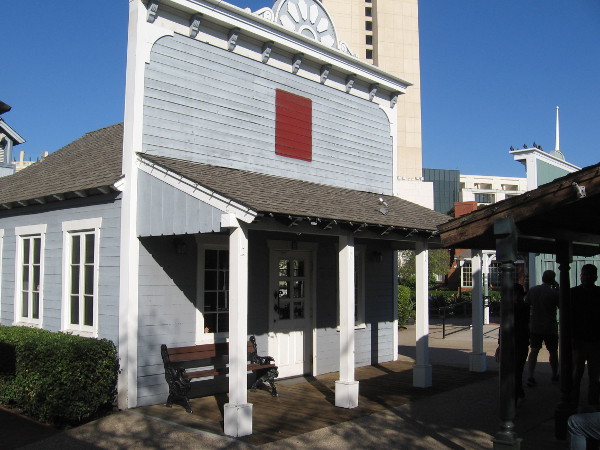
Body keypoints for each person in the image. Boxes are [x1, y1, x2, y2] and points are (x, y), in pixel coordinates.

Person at [571, 264, 600, 408]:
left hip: (595, 341)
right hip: (579, 340)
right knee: (576, 375)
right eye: (584, 275)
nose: (586, 278)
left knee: (594, 376)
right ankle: (573, 402)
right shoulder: (573, 293)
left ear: (595, 277)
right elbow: (568, 317)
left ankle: (593, 403)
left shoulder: (598, 293)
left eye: (589, 275)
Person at [525, 269, 559, 386]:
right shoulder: (553, 293)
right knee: (553, 351)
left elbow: (526, 303)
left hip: (535, 325)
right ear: (552, 279)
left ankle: (530, 375)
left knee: (534, 350)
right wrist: (558, 289)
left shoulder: (533, 290)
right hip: (550, 326)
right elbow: (562, 305)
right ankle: (554, 374)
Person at [513, 283, 530, 400]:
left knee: (517, 370)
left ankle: (516, 393)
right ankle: (519, 391)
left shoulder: (520, 307)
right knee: (517, 370)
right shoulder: (525, 307)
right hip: (520, 341)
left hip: (519, 341)